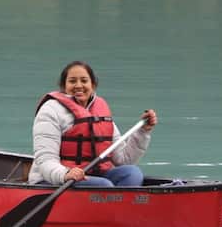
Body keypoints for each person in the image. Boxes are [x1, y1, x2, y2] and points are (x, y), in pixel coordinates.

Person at [28, 60, 157, 188]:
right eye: (72, 81)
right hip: (55, 179)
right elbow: (45, 160)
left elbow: (124, 160)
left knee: (132, 173)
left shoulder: (100, 112)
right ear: (64, 86)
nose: (79, 85)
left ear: (93, 85)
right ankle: (113, 200)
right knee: (103, 185)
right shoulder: (50, 110)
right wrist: (65, 174)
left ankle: (118, 201)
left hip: (94, 176)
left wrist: (143, 131)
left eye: (84, 81)